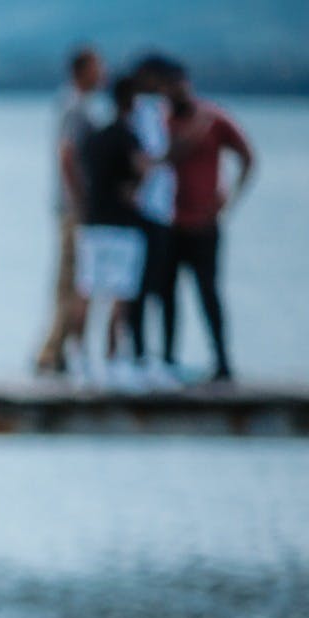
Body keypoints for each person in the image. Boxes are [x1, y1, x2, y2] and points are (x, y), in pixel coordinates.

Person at [156, 58, 254, 383]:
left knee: (208, 294)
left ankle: (223, 362)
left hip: (204, 225)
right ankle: (166, 360)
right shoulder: (159, 121)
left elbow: (247, 157)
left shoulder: (214, 119)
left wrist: (230, 198)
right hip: (168, 223)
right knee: (167, 295)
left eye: (178, 85)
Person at [75, 77, 151, 389]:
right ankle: (111, 362)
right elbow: (144, 167)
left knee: (86, 290)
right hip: (122, 225)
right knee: (120, 296)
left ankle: (78, 357)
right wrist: (136, 188)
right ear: (131, 102)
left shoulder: (94, 137)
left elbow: (79, 168)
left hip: (93, 222)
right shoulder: (128, 136)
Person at [35, 47, 104, 378]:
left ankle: (57, 351)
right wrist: (81, 200)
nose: (102, 73)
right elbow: (67, 154)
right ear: (82, 70)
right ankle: (51, 353)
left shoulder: (73, 105)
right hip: (73, 209)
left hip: (69, 206)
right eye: (97, 67)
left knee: (72, 280)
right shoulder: (75, 108)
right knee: (70, 280)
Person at [125, 57, 180, 386]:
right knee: (143, 287)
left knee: (158, 287)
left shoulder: (159, 112)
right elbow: (146, 158)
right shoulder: (145, 112)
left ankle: (160, 356)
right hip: (147, 213)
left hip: (161, 213)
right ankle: (142, 356)